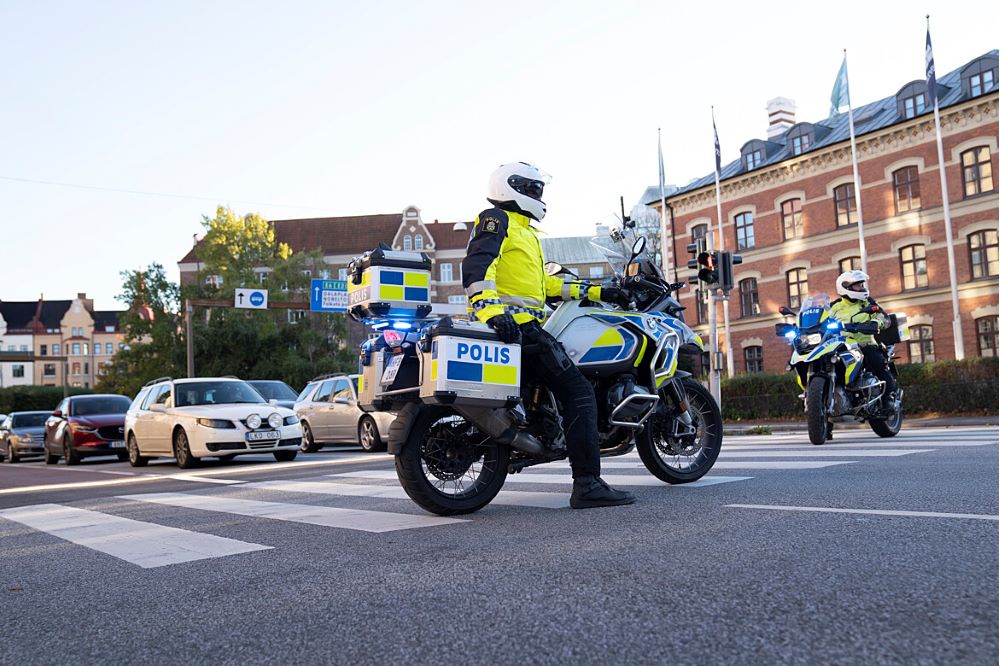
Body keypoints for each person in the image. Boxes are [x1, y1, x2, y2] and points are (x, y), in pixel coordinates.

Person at [461, 162, 635, 509]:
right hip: (518, 326)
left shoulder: (525, 233)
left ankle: (541, 432)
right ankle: (587, 483)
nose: (540, 196)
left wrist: (601, 293)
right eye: (535, 189)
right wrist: (493, 312)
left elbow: (548, 285)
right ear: (515, 188)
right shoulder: (499, 220)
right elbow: (477, 267)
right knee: (580, 391)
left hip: (520, 325)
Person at [830, 270, 898, 409]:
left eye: (861, 285)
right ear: (846, 287)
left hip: (865, 344)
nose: (861, 288)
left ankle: (889, 398)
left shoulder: (867, 303)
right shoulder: (834, 307)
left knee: (877, 362)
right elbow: (822, 321)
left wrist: (875, 323)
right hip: (842, 346)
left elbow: (884, 318)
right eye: (857, 286)